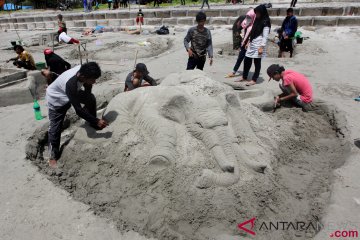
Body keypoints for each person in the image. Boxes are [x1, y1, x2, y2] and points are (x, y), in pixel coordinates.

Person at [46, 62, 108, 168]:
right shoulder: (71, 83)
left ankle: (92, 124)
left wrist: (89, 110)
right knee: (56, 127)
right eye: (93, 79)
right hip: (56, 100)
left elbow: (88, 89)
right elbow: (78, 111)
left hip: (70, 93)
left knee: (90, 98)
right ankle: (53, 156)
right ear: (84, 77)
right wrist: (96, 120)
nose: (94, 81)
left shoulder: (84, 70)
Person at [238, 4, 271, 86]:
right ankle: (244, 76)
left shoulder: (265, 21)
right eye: (256, 13)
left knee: (257, 62)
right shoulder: (257, 19)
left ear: (262, 12)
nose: (257, 14)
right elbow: (252, 31)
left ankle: (254, 79)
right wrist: (249, 41)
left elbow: (265, 36)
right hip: (252, 43)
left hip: (259, 44)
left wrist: (262, 46)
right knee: (247, 60)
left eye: (258, 13)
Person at [226, 9, 256, 78]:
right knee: (240, 57)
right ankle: (234, 71)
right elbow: (239, 27)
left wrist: (249, 41)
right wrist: (241, 37)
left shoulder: (255, 23)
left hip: (251, 43)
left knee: (248, 60)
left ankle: (245, 75)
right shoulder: (246, 20)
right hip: (245, 42)